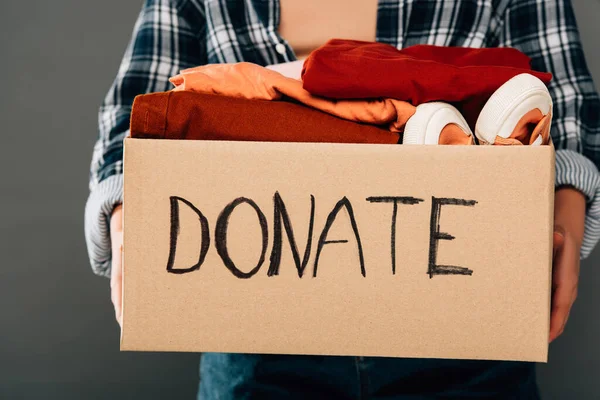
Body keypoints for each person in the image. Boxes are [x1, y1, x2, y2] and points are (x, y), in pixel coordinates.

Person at [85, 0, 600, 398]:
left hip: (464, 323)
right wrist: (131, 209)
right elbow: (140, 101)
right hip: (256, 326)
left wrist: (565, 212)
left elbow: (568, 96)